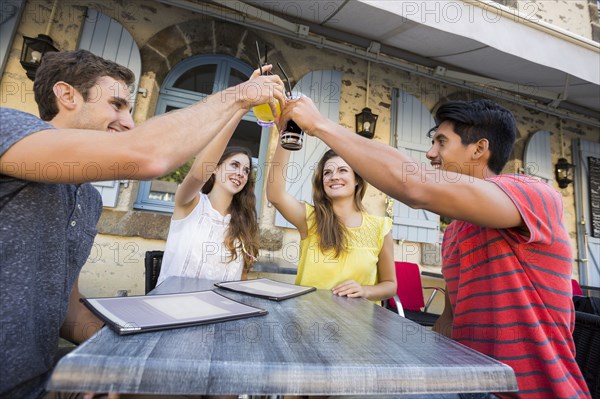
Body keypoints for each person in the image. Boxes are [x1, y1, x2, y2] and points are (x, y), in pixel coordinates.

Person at [0, 49, 285, 399]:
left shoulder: (87, 200)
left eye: (131, 110)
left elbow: (69, 312)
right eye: (117, 105)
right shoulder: (8, 127)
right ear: (66, 95)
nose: (129, 122)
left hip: (44, 382)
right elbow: (147, 154)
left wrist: (124, 354)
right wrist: (238, 97)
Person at [280, 97, 591, 399]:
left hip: (530, 391)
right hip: (467, 383)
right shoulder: (456, 231)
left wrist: (319, 124)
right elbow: (451, 320)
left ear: (479, 149)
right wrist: (412, 363)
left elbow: (415, 186)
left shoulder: (533, 194)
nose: (430, 153)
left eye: (441, 142)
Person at [266, 143, 396, 302]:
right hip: (310, 320)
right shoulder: (310, 218)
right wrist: (285, 138)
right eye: (327, 173)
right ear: (322, 181)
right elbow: (275, 195)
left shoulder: (380, 228)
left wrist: (365, 290)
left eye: (342, 170)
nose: (334, 176)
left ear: (357, 180)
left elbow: (390, 285)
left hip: (358, 323)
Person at [156, 146, 259, 285]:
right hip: (176, 302)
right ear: (215, 168)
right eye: (234, 165)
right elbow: (196, 175)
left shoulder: (244, 223)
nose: (241, 173)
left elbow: (241, 279)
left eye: (246, 171)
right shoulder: (191, 203)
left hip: (221, 305)